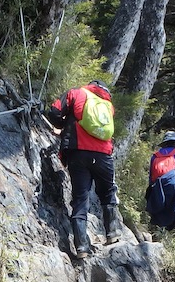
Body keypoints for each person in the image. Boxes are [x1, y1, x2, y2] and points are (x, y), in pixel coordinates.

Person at [45, 80, 123, 258]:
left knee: (80, 199)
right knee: (108, 192)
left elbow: (54, 111)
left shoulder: (76, 93)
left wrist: (62, 127)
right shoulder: (108, 105)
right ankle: (112, 233)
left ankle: (82, 247)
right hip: (104, 155)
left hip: (78, 153)